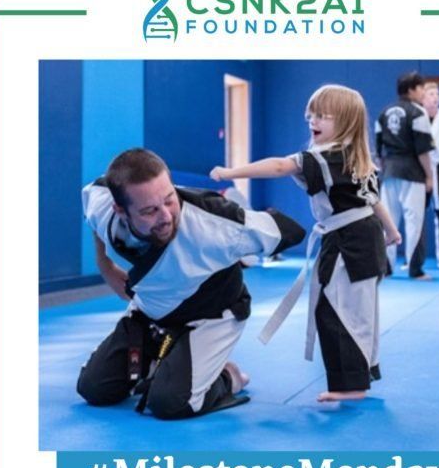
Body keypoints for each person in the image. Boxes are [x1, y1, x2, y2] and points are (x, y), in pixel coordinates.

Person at [77, 148, 306, 420]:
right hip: (152, 313)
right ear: (120, 210)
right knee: (94, 388)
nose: (165, 216)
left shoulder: (213, 221)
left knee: (170, 402)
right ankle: (161, 362)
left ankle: (227, 375)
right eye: (150, 210)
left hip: (212, 314)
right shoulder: (100, 200)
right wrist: (103, 262)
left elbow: (290, 231)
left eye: (169, 199)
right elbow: (92, 211)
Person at [210, 85, 401, 402]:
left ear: (346, 121)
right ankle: (354, 378)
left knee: (342, 314)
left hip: (350, 244)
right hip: (356, 241)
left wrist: (232, 171)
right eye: (310, 115)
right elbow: (375, 202)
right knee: (349, 312)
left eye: (323, 116)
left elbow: (279, 166)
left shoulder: (329, 157)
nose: (313, 121)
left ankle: (352, 384)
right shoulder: (352, 158)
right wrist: (392, 231)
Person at [375, 71, 434, 279]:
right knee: (414, 221)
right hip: (412, 172)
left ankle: (386, 267)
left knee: (388, 220)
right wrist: (429, 176)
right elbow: (423, 151)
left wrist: (385, 168)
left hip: (389, 171)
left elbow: (379, 150)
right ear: (411, 90)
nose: (423, 93)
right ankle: (415, 269)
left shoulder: (383, 113)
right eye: (421, 89)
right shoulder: (418, 113)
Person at [422, 82, 439, 268]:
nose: (435, 97)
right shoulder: (417, 120)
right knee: (415, 216)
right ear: (423, 98)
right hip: (420, 169)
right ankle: (413, 261)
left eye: (437, 93)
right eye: (430, 93)